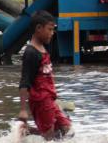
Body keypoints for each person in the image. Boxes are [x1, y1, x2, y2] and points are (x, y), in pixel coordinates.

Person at [18, 10, 73, 141]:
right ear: (38, 28)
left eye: (53, 30)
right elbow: (25, 82)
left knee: (67, 129)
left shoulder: (44, 48)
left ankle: (27, 132)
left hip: (50, 100)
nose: (52, 33)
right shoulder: (31, 53)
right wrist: (23, 110)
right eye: (49, 29)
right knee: (49, 136)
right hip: (40, 101)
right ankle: (25, 133)